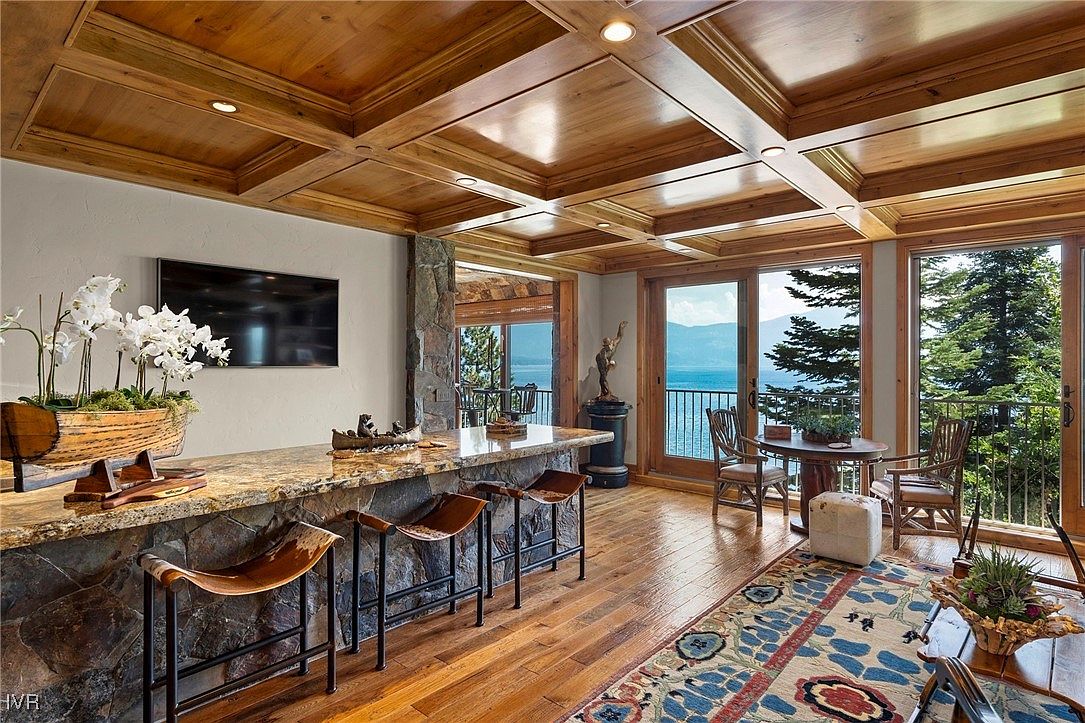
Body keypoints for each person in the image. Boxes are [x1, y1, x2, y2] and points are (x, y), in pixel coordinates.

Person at [594, 321, 627, 401]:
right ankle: (607, 393)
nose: (609, 347)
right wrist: (610, 365)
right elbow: (606, 364)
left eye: (609, 344)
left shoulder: (614, 344)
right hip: (600, 361)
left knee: (604, 376)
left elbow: (619, 336)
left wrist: (621, 328)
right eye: (607, 346)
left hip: (607, 360)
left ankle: (604, 392)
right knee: (603, 376)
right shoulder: (602, 354)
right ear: (604, 346)